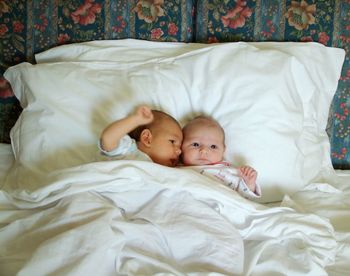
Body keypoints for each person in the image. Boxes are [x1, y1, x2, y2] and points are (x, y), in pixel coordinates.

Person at [181, 115, 261, 199]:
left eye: (213, 146)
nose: (204, 151)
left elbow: (243, 199)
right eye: (195, 144)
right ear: (181, 146)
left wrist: (248, 184)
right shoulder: (175, 168)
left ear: (223, 150)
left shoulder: (228, 171)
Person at [99, 105, 183, 167]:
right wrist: (136, 120)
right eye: (172, 141)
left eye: (180, 146)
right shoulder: (129, 152)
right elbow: (108, 139)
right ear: (147, 138)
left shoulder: (169, 169)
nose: (179, 151)